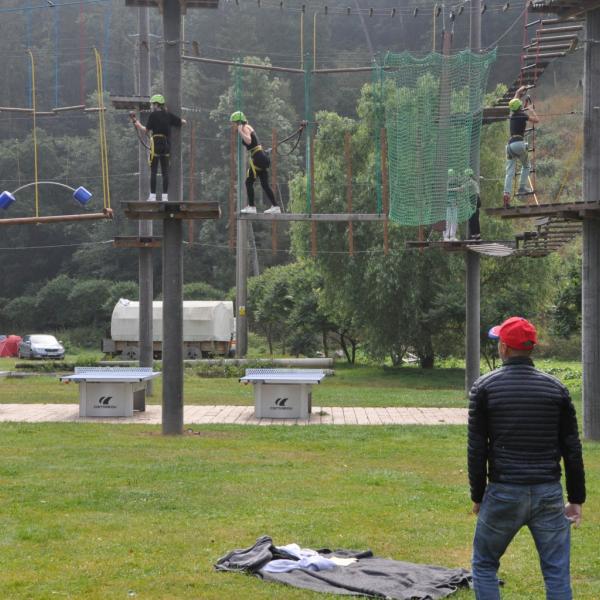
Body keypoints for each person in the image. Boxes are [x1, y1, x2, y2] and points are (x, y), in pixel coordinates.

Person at [468, 316, 586, 600]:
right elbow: (572, 449)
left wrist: (478, 495)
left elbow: (477, 449)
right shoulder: (556, 389)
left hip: (504, 491)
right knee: (557, 572)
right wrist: (576, 499)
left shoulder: (484, 388)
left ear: (504, 348)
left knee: (484, 565)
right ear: (531, 348)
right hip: (548, 493)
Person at [131, 94, 185, 202]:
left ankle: (153, 196)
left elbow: (146, 130)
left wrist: (137, 124)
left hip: (155, 144)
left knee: (154, 171)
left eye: (152, 104)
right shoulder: (168, 115)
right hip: (166, 145)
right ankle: (165, 196)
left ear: (156, 104)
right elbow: (182, 122)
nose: (151, 106)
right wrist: (179, 120)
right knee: (165, 172)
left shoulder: (153, 115)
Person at [230, 111, 280, 214]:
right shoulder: (248, 127)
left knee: (249, 182)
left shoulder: (244, 128)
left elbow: (248, 141)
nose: (233, 126)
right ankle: (276, 206)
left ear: (238, 122)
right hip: (261, 157)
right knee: (265, 184)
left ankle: (252, 207)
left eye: (234, 123)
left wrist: (240, 131)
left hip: (258, 157)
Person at [503, 85, 539, 208]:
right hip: (519, 144)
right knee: (526, 165)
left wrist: (520, 90)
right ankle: (522, 187)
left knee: (509, 172)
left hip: (509, 146)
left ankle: (506, 193)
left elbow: (515, 99)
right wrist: (531, 109)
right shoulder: (523, 115)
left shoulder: (512, 114)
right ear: (520, 107)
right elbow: (536, 120)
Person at [443, 168, 460, 241]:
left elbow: (460, 190)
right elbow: (445, 191)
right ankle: (446, 236)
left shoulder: (456, 181)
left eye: (452, 175)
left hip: (454, 203)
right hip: (447, 204)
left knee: (454, 220)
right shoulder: (445, 182)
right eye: (450, 175)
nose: (451, 176)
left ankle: (453, 236)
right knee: (448, 220)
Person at [465, 168, 481, 240]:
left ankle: (475, 235)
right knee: (474, 219)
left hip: (473, 201)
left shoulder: (471, 182)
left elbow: (463, 188)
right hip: (474, 201)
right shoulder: (473, 181)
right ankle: (476, 235)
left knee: (473, 219)